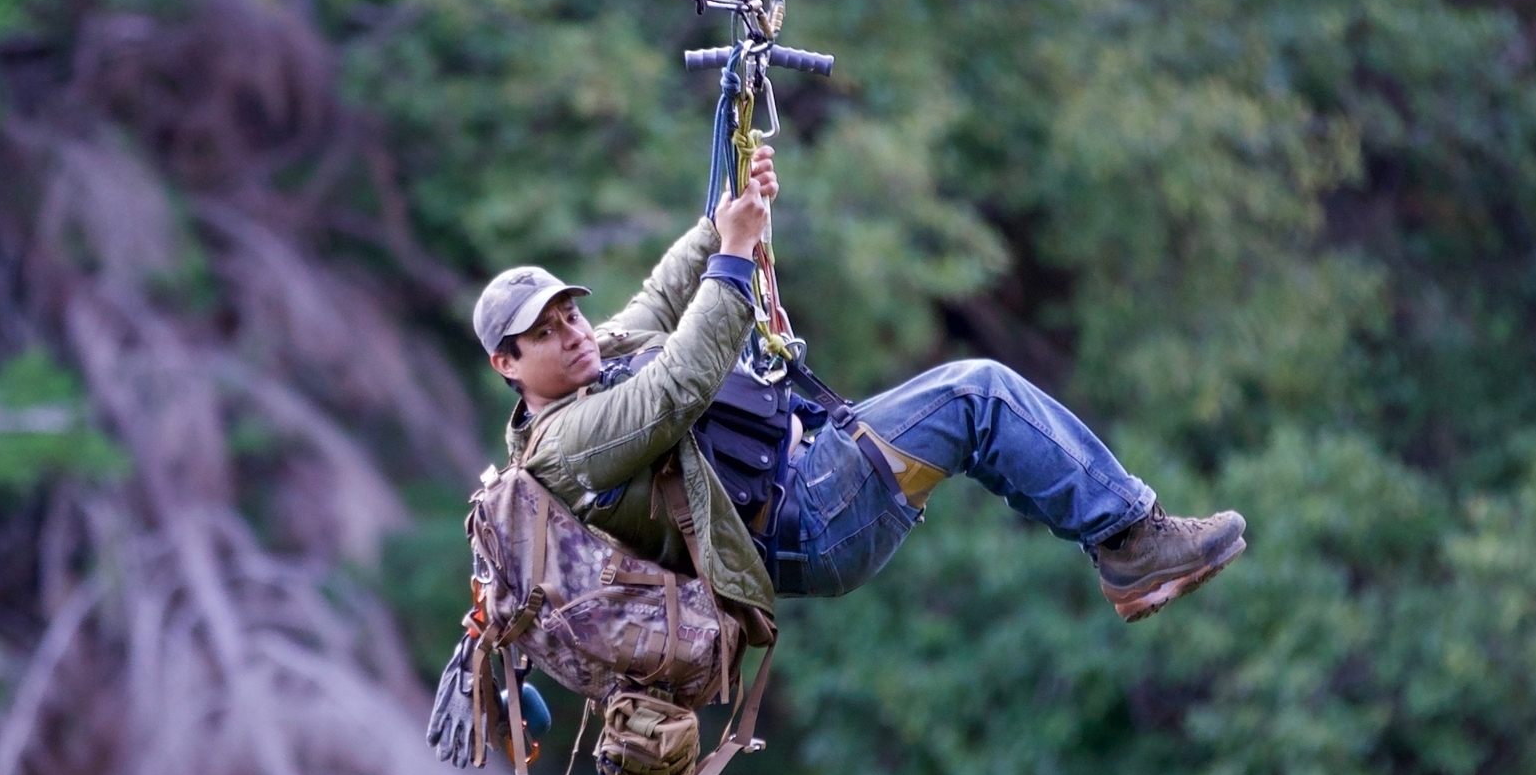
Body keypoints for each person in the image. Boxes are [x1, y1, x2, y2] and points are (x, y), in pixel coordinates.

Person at [470, 143, 1245, 625]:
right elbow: (677, 386)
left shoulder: (596, 361)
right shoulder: (564, 445)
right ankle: (1133, 544)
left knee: (977, 413)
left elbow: (662, 298)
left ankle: (1127, 546)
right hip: (804, 520)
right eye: (544, 333)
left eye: (570, 315)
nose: (570, 333)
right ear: (507, 365)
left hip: (814, 470)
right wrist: (736, 257)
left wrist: (723, 217)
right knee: (975, 394)